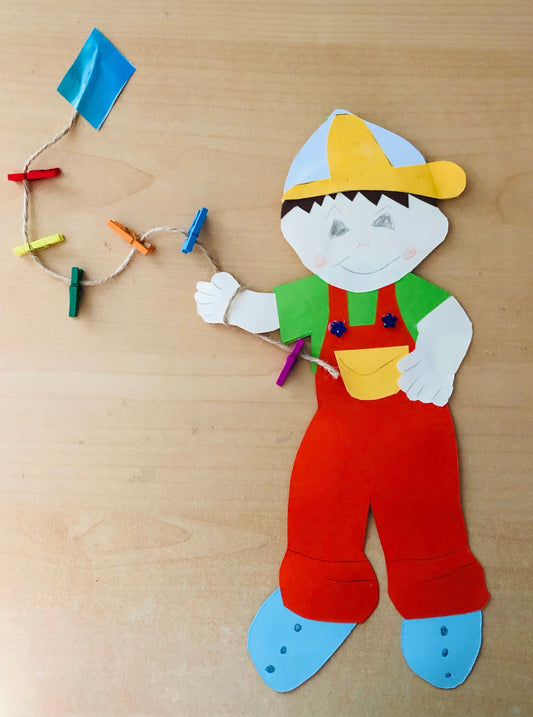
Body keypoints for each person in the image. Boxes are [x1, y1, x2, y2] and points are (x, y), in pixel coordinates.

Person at [195, 110, 489, 692]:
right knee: (318, 500)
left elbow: (451, 322)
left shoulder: (412, 292)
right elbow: (268, 310)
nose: (362, 242)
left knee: (425, 510)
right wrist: (233, 305)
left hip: (417, 426)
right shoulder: (315, 296)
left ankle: (441, 599)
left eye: (383, 219)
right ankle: (317, 601)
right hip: (339, 428)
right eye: (336, 229)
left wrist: (437, 362)